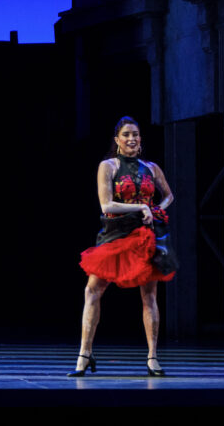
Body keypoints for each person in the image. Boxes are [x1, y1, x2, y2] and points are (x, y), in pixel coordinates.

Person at [70, 116, 176, 377]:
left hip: (144, 236)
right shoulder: (108, 166)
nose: (132, 139)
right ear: (116, 139)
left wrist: (155, 210)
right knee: (92, 290)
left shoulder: (151, 167)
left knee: (149, 295)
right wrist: (141, 207)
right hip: (116, 234)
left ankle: (153, 357)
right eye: (126, 134)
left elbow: (169, 195)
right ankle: (85, 354)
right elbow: (106, 205)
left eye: (135, 134)